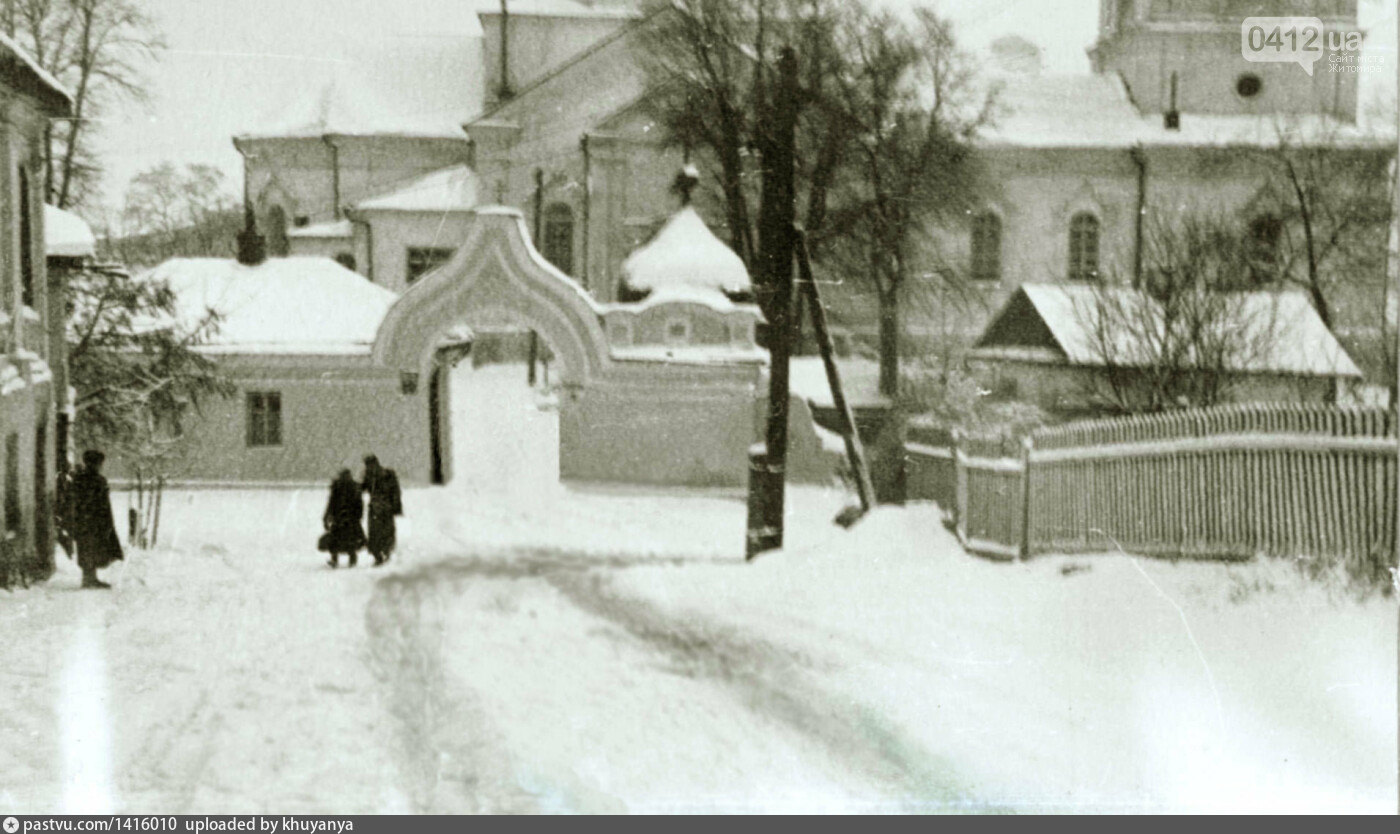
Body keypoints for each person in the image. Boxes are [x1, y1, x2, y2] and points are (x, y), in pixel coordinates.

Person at [68, 450, 123, 589]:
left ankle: (90, 578)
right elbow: (102, 504)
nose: (100, 466)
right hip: (95, 521)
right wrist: (106, 522)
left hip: (83, 521)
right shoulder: (97, 480)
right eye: (99, 463)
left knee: (87, 548)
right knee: (93, 548)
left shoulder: (79, 479)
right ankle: (89, 580)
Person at [361, 455, 402, 567]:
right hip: (376, 509)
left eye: (369, 464)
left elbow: (395, 491)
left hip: (385, 509)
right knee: (375, 534)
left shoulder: (388, 474)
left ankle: (385, 553)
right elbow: (362, 488)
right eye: (367, 465)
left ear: (375, 463)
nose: (368, 467)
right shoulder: (369, 475)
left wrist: (396, 507)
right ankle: (379, 556)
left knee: (385, 532)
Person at [322, 469, 366, 569]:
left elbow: (359, 505)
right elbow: (331, 503)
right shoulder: (338, 488)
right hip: (340, 518)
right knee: (338, 541)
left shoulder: (352, 488)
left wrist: (357, 516)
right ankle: (336, 560)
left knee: (349, 541)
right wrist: (327, 517)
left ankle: (351, 560)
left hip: (349, 518)